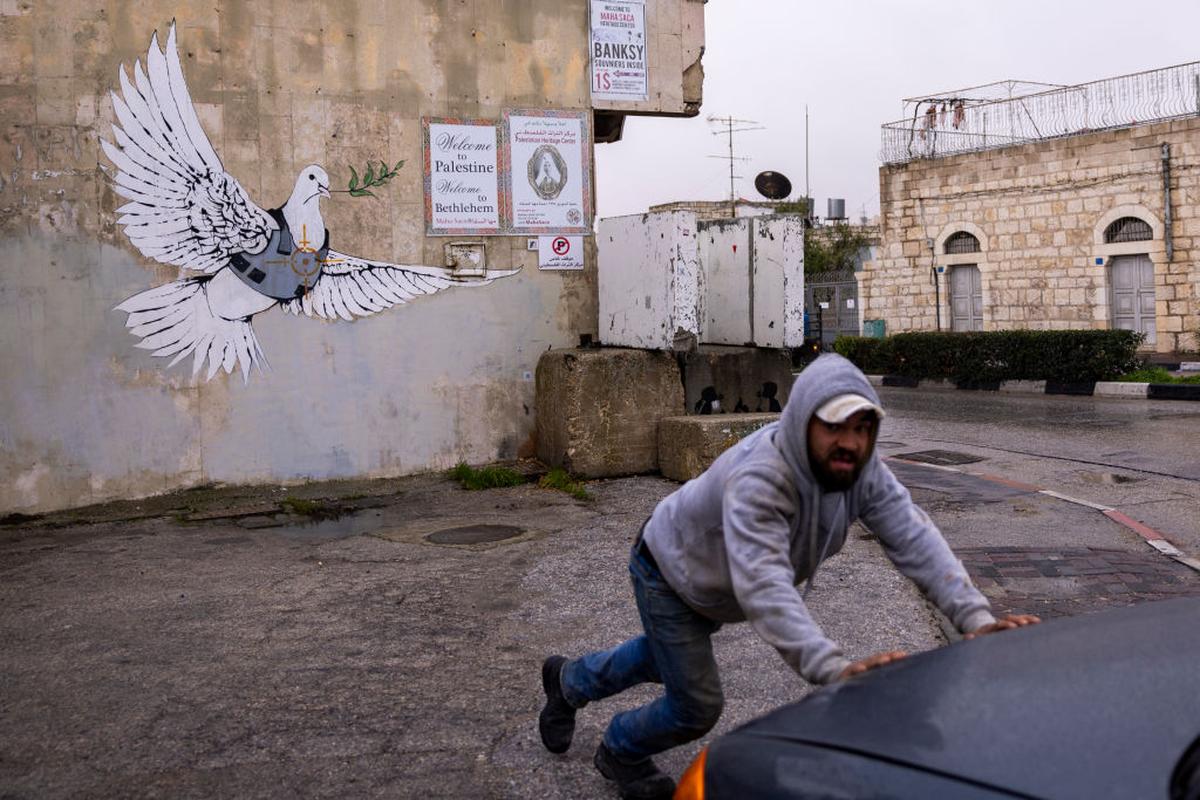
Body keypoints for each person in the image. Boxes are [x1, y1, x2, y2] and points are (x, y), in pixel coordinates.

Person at [537, 354, 1038, 799]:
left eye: (863, 428)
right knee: (697, 704)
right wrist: (832, 669)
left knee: (664, 656)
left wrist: (975, 621)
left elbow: (914, 537)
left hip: (715, 584)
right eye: (835, 427)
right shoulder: (762, 477)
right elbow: (765, 586)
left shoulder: (860, 469)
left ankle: (567, 681)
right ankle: (621, 749)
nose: (850, 443)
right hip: (668, 569)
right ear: (802, 422)